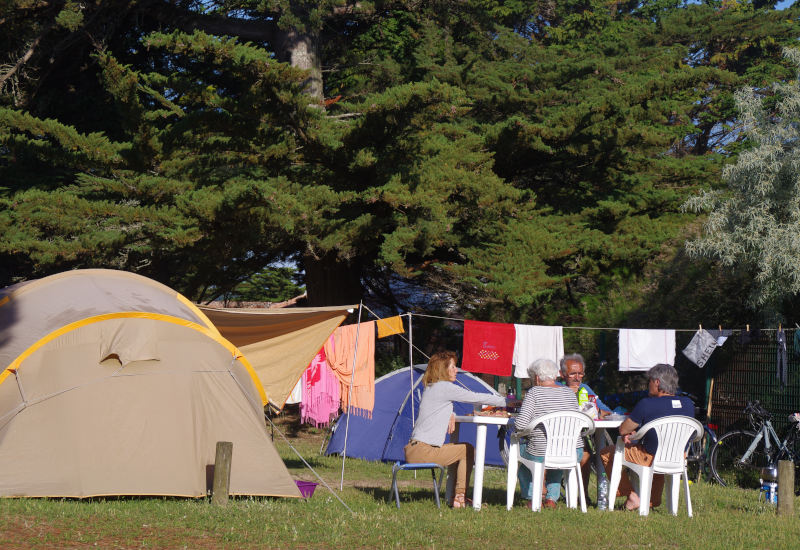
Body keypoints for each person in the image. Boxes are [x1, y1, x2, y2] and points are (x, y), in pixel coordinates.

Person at [404, 351, 513, 508]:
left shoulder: (431, 387)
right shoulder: (444, 387)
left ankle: (454, 497)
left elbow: (435, 408)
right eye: (453, 367)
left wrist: (451, 413)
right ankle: (460, 497)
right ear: (443, 369)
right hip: (424, 451)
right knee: (467, 450)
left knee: (460, 449)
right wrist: (506, 401)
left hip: (414, 449)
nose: (457, 370)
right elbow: (475, 397)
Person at [598, 364, 694, 511]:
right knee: (658, 451)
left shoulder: (647, 404)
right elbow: (668, 431)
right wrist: (637, 434)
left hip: (649, 457)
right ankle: (649, 501)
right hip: (678, 457)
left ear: (657, 382)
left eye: (649, 381)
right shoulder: (688, 404)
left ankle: (632, 496)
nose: (647, 384)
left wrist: (629, 433)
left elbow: (623, 429)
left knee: (606, 453)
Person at [513, 358, 582, 509]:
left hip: (543, 452)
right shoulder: (569, 393)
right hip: (573, 451)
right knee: (557, 455)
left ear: (536, 378)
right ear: (556, 375)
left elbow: (520, 425)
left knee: (523, 458)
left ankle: (534, 498)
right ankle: (551, 499)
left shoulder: (534, 392)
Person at [559, 353, 612, 501]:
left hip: (578, 437)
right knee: (583, 452)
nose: (577, 378)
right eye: (572, 374)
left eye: (580, 373)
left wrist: (598, 411)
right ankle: (549, 494)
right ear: (562, 374)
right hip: (556, 437)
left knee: (585, 454)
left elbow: (605, 410)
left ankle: (583, 496)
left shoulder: (585, 388)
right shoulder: (556, 388)